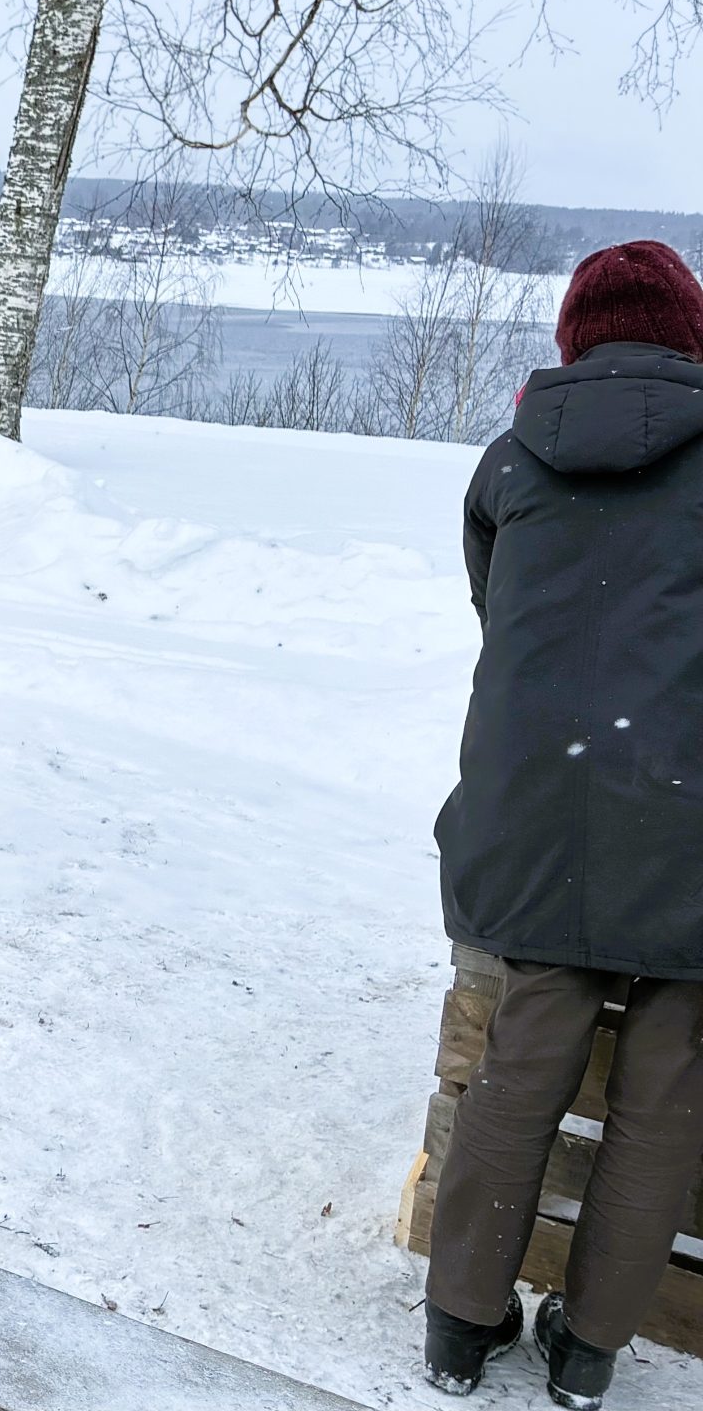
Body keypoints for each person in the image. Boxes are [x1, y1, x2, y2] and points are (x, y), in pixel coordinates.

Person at [425, 240, 703, 1409]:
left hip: (534, 809)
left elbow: (500, 612)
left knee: (522, 1054)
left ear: (571, 339)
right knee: (666, 1084)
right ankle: (587, 1353)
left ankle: (458, 1326)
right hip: (688, 813)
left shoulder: (508, 460)